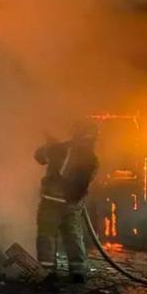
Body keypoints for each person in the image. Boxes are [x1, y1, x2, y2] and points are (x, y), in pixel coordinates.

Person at [34, 119, 99, 284]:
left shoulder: (61, 148)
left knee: (47, 235)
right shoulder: (92, 158)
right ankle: (78, 271)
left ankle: (48, 272)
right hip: (73, 204)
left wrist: (50, 146)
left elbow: (39, 156)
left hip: (52, 202)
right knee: (73, 236)